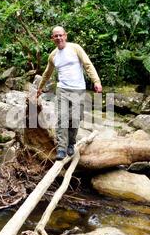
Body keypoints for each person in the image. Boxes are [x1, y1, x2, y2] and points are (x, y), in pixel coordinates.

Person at [37, 26, 102, 160]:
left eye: (61, 35)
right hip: (62, 90)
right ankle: (61, 148)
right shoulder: (53, 56)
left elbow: (87, 65)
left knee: (75, 119)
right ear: (52, 38)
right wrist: (40, 88)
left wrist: (96, 81)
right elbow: (47, 73)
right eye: (56, 36)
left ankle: (71, 144)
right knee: (62, 119)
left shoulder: (75, 48)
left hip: (78, 89)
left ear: (65, 36)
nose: (59, 38)